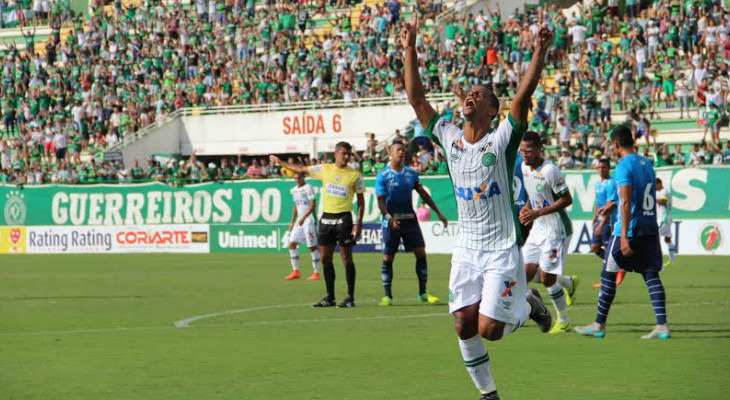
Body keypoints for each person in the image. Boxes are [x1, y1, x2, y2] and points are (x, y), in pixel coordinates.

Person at [402, 14, 553, 400]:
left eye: (480, 94)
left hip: (501, 248)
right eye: (468, 93)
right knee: (462, 325)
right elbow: (417, 99)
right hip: (466, 249)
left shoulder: (501, 140)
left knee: (490, 329)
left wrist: (539, 49)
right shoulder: (450, 138)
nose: (471, 96)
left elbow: (522, 97)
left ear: (492, 110)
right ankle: (489, 395)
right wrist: (409, 49)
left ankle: (528, 306)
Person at [576, 126, 670, 339]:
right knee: (651, 274)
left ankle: (598, 325)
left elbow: (627, 201)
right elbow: (632, 195)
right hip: (649, 227)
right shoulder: (647, 165)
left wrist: (625, 236)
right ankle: (662, 325)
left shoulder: (622, 167)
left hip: (629, 228)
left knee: (607, 274)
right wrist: (614, 203)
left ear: (616, 144)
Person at [270, 141, 365, 308]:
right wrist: (280, 162)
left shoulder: (355, 175)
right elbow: (300, 169)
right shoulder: (324, 169)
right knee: (325, 259)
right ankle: (330, 297)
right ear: (335, 154)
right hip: (326, 219)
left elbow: (361, 201)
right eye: (343, 153)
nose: (346, 156)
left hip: (344, 218)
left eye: (349, 154)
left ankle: (350, 297)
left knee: (346, 258)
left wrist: (358, 224)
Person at [519, 131, 578, 334]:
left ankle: (563, 320)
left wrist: (538, 212)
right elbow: (533, 195)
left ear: (539, 149)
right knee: (522, 272)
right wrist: (527, 207)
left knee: (547, 279)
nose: (525, 155)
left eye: (529, 151)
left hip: (557, 230)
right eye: (522, 151)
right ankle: (568, 282)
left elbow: (567, 199)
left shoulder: (550, 170)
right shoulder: (524, 167)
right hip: (539, 228)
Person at [375, 140, 448, 306]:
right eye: (398, 150)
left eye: (403, 150)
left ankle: (423, 293)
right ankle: (388, 296)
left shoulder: (411, 173)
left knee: (421, 253)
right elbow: (380, 201)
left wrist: (438, 213)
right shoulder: (383, 175)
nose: (402, 153)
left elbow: (423, 194)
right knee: (388, 257)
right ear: (391, 153)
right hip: (391, 222)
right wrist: (388, 218)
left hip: (410, 220)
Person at [283, 172, 321, 281]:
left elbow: (313, 204)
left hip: (309, 221)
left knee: (312, 247)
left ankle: (316, 272)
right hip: (299, 221)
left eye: (299, 178)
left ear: (303, 177)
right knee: (291, 244)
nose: (297, 180)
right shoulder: (294, 190)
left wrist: (304, 217)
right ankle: (296, 271)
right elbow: (296, 205)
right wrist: (292, 222)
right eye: (295, 178)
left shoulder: (308, 187)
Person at [655, 178, 676, 266]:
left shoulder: (664, 192)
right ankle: (672, 259)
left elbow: (663, 202)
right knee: (667, 238)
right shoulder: (658, 192)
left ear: (659, 183)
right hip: (665, 218)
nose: (654, 187)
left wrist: (653, 199)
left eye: (655, 185)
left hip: (664, 218)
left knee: (655, 237)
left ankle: (659, 264)